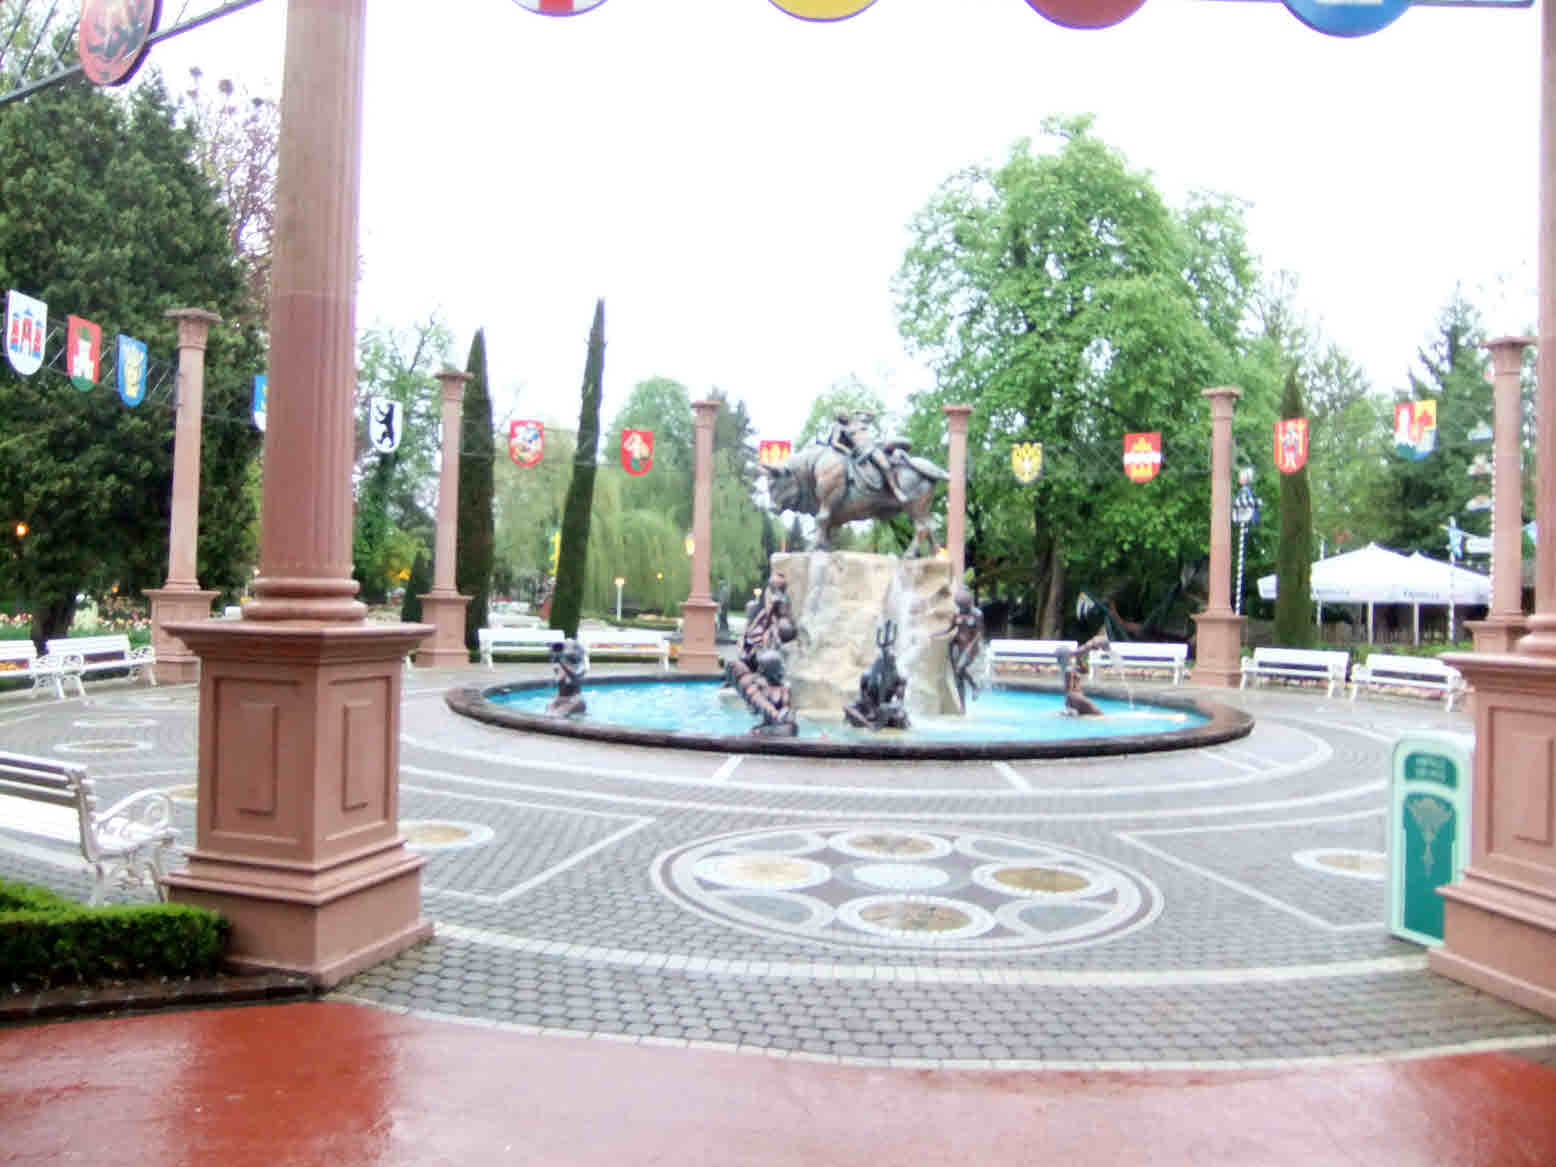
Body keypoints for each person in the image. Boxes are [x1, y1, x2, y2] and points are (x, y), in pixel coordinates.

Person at [828, 410, 907, 505]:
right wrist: (846, 450)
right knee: (884, 465)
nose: (844, 417)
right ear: (838, 418)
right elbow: (834, 442)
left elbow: (873, 415)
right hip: (864, 448)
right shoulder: (839, 427)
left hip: (876, 443)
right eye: (841, 416)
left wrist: (859, 410)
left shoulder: (858, 420)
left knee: (900, 446)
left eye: (844, 414)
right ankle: (896, 490)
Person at [933, 586, 985, 712]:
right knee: (958, 677)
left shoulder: (977, 614)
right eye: (960, 606)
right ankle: (963, 707)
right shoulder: (957, 614)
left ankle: (975, 686)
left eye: (963, 606)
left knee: (960, 669)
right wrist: (937, 634)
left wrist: (971, 646)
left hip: (971, 649)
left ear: (969, 603)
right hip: (958, 647)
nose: (962, 608)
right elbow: (951, 628)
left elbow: (979, 633)